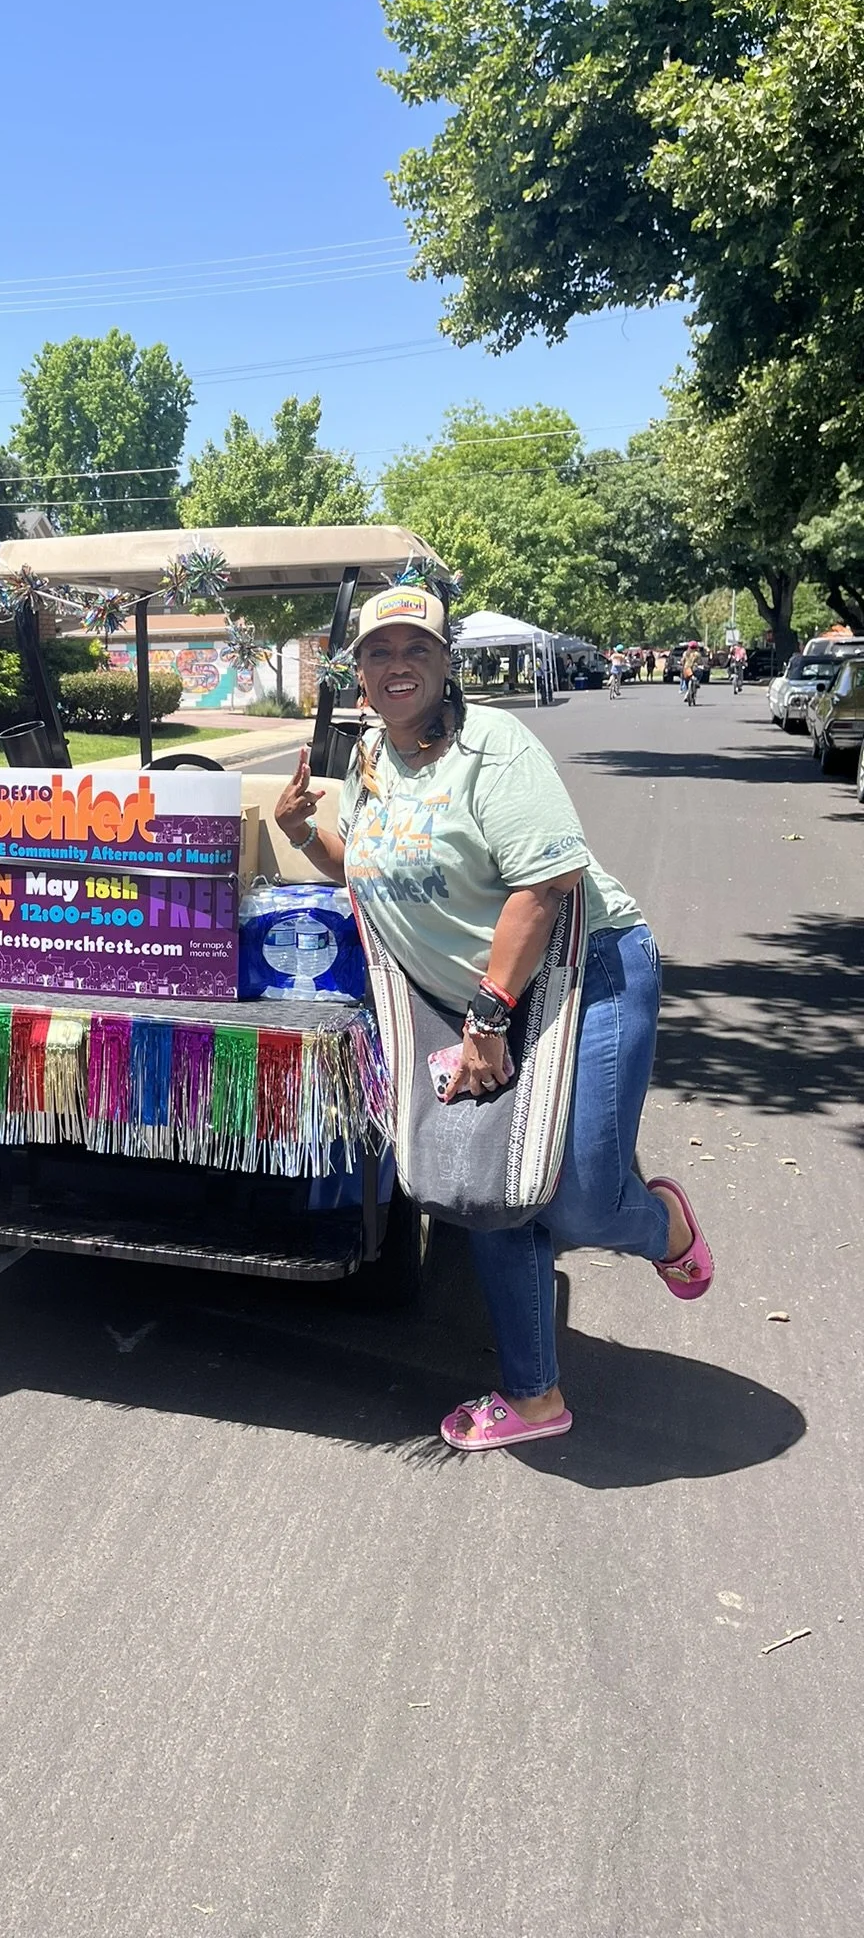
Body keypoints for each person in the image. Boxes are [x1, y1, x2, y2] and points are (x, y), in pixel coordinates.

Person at [273, 579, 714, 1450]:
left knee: (582, 1201)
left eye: (417, 651)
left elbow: (545, 885)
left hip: (587, 974)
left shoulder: (493, 746)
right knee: (489, 1191)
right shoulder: (369, 760)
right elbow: (375, 877)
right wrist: (301, 832)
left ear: (446, 665)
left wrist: (487, 1017)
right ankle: (535, 1397)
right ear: (358, 671)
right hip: (473, 1001)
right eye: (379, 653)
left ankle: (660, 1221)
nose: (397, 666)